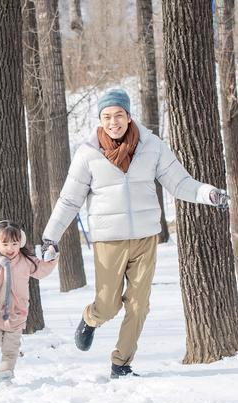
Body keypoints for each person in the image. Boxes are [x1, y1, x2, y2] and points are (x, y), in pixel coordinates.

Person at [41, 88, 230, 379]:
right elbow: (69, 200)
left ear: (129, 117)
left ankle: (121, 363)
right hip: (108, 240)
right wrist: (50, 237)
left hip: (145, 237)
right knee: (108, 305)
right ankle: (90, 318)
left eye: (118, 115)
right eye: (106, 116)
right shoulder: (88, 153)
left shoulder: (151, 146)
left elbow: (180, 183)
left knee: (139, 304)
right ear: (100, 120)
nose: (113, 121)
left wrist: (209, 194)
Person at [0, 220, 58, 384]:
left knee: (11, 346)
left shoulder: (26, 261)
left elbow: (42, 270)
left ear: (20, 242)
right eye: (5, 243)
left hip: (17, 312)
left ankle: (5, 374)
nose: (10, 248)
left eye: (14, 243)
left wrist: (51, 258)